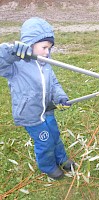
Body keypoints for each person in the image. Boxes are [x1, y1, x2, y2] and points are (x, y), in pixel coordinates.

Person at [0, 17, 75, 180]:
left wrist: (60, 96)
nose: (47, 52)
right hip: (31, 115)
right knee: (45, 141)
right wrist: (11, 51)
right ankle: (48, 166)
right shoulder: (16, 66)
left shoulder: (45, 65)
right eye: (44, 47)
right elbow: (1, 60)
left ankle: (61, 159)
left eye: (49, 48)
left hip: (47, 111)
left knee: (55, 136)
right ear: (29, 44)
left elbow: (54, 84)